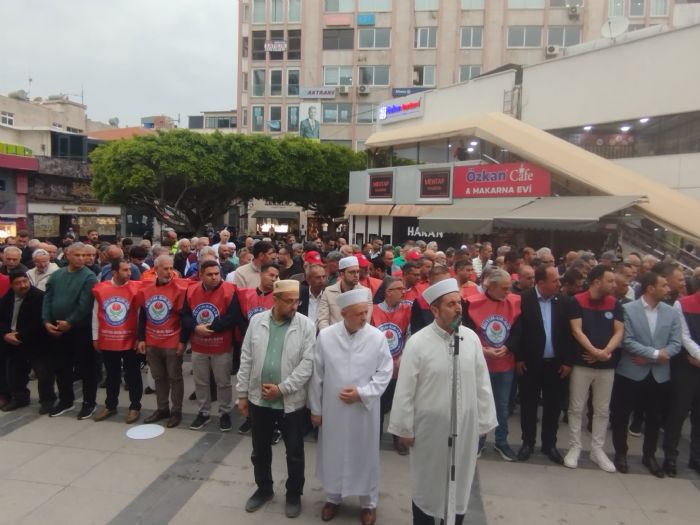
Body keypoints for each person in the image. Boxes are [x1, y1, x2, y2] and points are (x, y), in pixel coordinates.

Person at [389, 278, 497, 525]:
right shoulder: (418, 342)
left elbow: (482, 382)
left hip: (465, 429)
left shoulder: (470, 339)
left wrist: (483, 421)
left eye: (459, 303)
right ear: (435, 310)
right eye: (451, 304)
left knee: (459, 484)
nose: (458, 308)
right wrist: (404, 428)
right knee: (427, 485)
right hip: (429, 431)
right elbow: (405, 390)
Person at [308, 289, 393, 525]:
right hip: (333, 410)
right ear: (344, 313)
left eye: (366, 312)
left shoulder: (376, 337)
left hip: (363, 411)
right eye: (358, 314)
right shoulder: (326, 337)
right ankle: (332, 498)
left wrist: (362, 394)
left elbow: (385, 372)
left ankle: (369, 503)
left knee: (364, 455)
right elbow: (317, 374)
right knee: (333, 452)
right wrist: (316, 409)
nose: (364, 318)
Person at [237, 280, 315, 519]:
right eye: (289, 301)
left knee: (294, 451)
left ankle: (294, 494)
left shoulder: (306, 325)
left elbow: (307, 365)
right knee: (260, 450)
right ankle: (264, 488)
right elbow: (246, 358)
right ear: (275, 300)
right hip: (259, 400)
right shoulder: (257, 321)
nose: (294, 306)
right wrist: (242, 394)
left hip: (290, 402)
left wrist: (281, 389)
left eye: (297, 301)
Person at [611, 271, 681, 477]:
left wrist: (652, 358)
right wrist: (656, 354)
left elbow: (676, 343)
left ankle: (649, 455)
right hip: (631, 372)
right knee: (622, 414)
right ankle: (620, 453)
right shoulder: (627, 309)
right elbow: (627, 341)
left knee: (654, 417)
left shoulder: (671, 313)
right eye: (663, 285)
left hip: (658, 374)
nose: (668, 289)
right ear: (650, 288)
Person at [565, 264, 623, 472]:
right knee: (576, 407)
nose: (614, 284)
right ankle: (575, 446)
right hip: (582, 363)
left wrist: (605, 351)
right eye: (610, 280)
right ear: (597, 282)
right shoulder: (576, 301)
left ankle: (597, 450)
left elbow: (619, 331)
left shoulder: (615, 304)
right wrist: (594, 351)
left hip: (607, 365)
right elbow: (576, 330)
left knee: (602, 409)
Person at [515, 265, 573, 464]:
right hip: (530, 363)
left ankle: (550, 444)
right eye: (554, 280)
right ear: (541, 283)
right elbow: (518, 330)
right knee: (528, 405)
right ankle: (527, 442)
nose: (559, 283)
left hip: (556, 365)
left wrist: (567, 361)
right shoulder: (523, 300)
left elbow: (569, 334)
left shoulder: (564, 302)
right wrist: (519, 358)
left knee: (553, 406)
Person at [463, 268, 521, 461]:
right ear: (492, 286)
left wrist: (508, 346)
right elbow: (466, 331)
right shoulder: (471, 303)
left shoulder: (515, 302)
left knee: (502, 406)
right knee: (478, 405)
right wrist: (482, 350)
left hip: (505, 363)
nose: (508, 292)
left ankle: (501, 442)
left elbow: (519, 330)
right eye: (504, 288)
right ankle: (478, 441)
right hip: (481, 364)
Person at [42, 242, 99, 419]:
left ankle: (89, 402)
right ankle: (66, 400)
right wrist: (46, 320)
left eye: (84, 255)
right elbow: (48, 297)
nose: (81, 258)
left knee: (86, 367)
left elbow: (85, 304)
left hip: (80, 329)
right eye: (77, 255)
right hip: (57, 328)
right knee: (61, 366)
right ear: (67, 255)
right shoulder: (57, 275)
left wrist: (70, 322)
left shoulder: (89, 276)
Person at [181, 260, 238, 432]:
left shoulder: (230, 290)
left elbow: (232, 317)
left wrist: (211, 328)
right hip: (199, 346)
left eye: (217, 274)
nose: (214, 277)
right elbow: (185, 315)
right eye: (210, 274)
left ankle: (225, 413)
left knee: (223, 382)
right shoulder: (191, 290)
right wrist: (195, 327)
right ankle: (203, 412)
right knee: (201, 381)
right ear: (201, 275)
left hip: (221, 346)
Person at [137, 255, 189, 428]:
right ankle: (162, 408)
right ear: (155, 269)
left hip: (172, 341)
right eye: (165, 268)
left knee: (175, 378)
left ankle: (176, 411)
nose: (169, 272)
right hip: (152, 341)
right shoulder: (147, 288)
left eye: (171, 268)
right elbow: (143, 315)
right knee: (159, 378)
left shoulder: (180, 289)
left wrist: (183, 341)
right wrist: (141, 338)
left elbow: (185, 318)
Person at [91, 259, 143, 424]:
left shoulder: (136, 288)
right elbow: (96, 313)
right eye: (125, 270)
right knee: (112, 374)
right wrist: (95, 337)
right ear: (114, 272)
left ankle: (135, 406)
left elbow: (141, 314)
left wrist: (140, 338)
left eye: (129, 270)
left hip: (129, 339)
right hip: (109, 338)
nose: (129, 273)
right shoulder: (101, 289)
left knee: (133, 374)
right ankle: (110, 405)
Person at [0, 269, 55, 412]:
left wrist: (19, 336)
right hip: (12, 342)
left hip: (36, 342)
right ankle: (20, 398)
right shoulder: (7, 298)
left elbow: (38, 322)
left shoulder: (39, 297)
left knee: (44, 374)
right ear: (11, 285)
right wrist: (5, 334)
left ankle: (47, 401)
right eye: (18, 283)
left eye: (25, 281)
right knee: (15, 373)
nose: (23, 285)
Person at [371, 276, 412, 455]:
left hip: (399, 363)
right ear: (388, 292)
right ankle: (375, 436)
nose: (403, 292)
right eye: (399, 289)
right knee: (378, 403)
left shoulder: (408, 310)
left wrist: (403, 355)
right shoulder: (372, 311)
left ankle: (398, 438)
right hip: (378, 365)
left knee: (399, 403)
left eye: (403, 288)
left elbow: (409, 334)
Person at [664, 275, 700, 476]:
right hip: (686, 367)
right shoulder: (683, 304)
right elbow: (683, 336)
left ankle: (697, 457)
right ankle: (670, 456)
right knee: (678, 413)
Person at [316, 256, 372, 331]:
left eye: (358, 272)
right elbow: (323, 320)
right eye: (352, 272)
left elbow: (366, 321)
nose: (356, 275)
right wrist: (329, 335)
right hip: (333, 335)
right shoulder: (328, 291)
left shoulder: (366, 293)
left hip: (357, 336)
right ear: (342, 274)